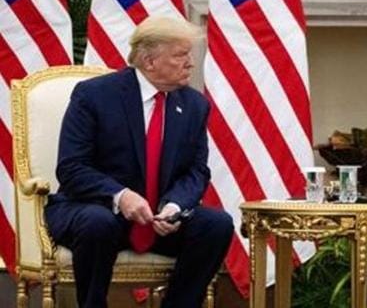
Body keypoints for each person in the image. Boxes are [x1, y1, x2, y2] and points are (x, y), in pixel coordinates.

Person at [45, 16, 234, 308]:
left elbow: (196, 172)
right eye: (181, 55)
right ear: (149, 61)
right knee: (99, 223)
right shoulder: (94, 95)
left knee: (217, 224)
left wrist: (174, 206)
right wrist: (121, 196)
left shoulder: (195, 105)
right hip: (94, 211)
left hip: (158, 220)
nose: (190, 64)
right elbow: (72, 168)